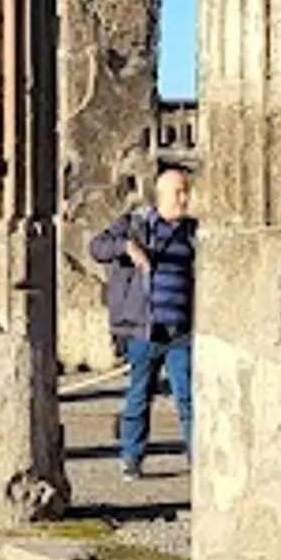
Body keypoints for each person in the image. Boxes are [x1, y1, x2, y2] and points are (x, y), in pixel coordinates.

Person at [88, 166, 198, 474]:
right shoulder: (135, 225)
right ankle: (131, 458)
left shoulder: (192, 232)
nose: (185, 198)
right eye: (178, 192)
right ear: (160, 195)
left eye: (186, 191)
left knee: (188, 400)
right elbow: (96, 247)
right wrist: (125, 246)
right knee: (138, 397)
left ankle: (199, 460)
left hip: (181, 331)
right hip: (144, 330)